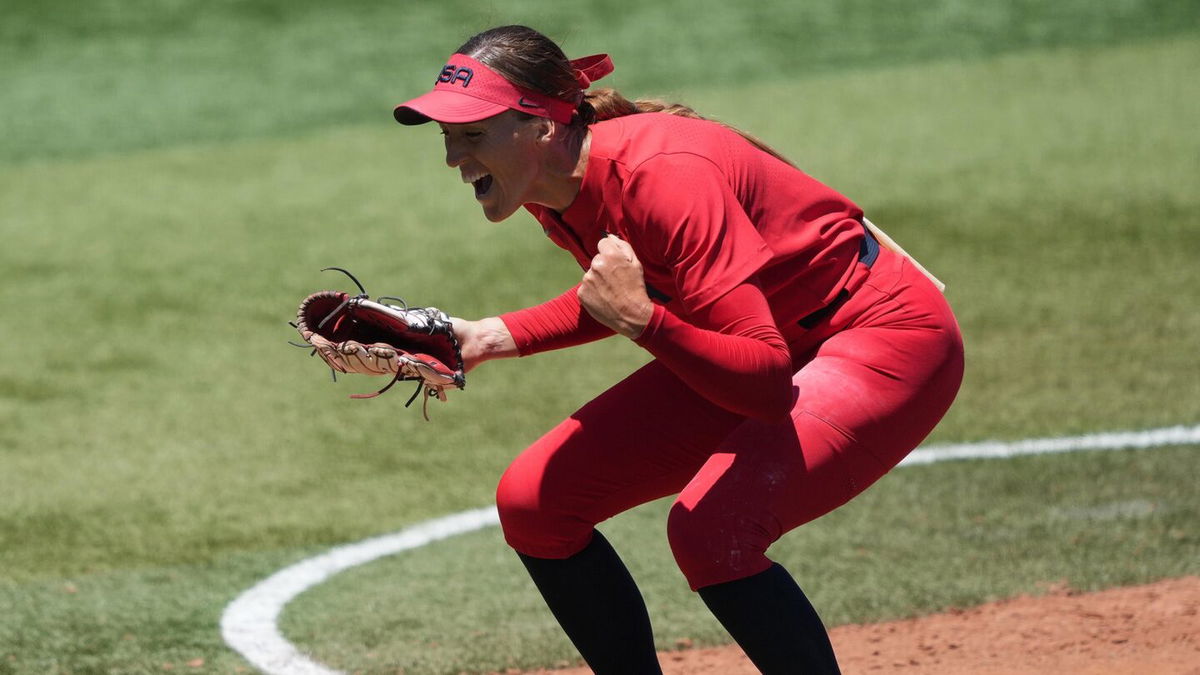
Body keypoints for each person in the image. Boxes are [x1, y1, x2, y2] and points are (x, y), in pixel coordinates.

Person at [391, 25, 964, 674]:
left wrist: (648, 325)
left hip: (878, 332)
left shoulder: (660, 176)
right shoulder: (548, 182)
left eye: (471, 135)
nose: (452, 158)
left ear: (540, 126)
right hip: (766, 337)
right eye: (447, 136)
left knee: (712, 530)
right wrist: (487, 336)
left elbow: (767, 389)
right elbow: (636, 287)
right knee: (535, 501)